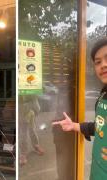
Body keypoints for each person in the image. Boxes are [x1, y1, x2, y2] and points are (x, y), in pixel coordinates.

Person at [52, 37, 107, 180]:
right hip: (97, 172)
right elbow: (100, 128)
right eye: (98, 62)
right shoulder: (102, 95)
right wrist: (74, 126)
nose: (103, 65)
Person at [19, 95, 44, 166]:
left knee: (32, 130)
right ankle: (23, 154)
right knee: (23, 134)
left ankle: (36, 146)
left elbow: (34, 97)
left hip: (30, 112)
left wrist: (36, 109)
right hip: (21, 112)